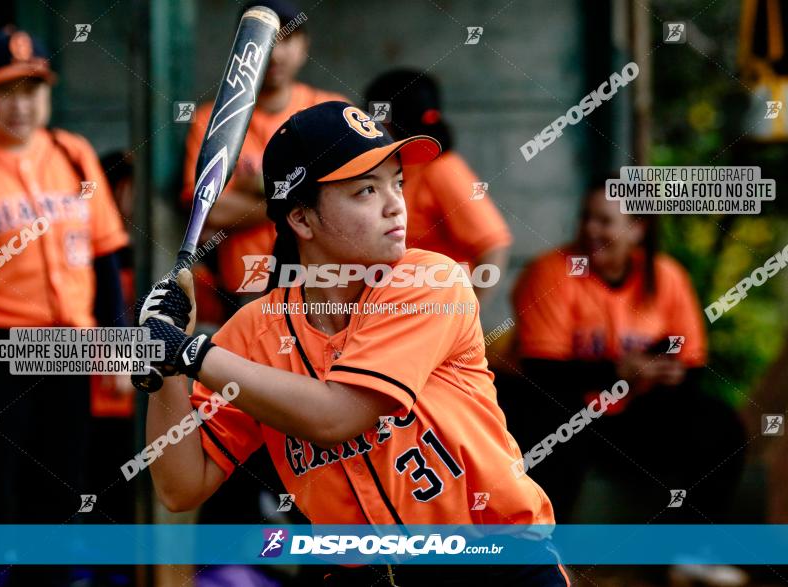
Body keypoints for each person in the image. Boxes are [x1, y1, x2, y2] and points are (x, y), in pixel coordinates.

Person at [136, 101, 569, 586]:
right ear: (301, 220)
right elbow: (180, 486)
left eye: (397, 183)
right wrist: (166, 370)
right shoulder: (254, 333)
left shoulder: (428, 281)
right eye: (366, 190)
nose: (395, 205)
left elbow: (336, 416)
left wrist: (192, 353)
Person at [0, 28, 128, 586]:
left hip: (68, 347)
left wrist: (117, 350)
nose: (21, 105)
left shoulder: (73, 153)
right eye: (6, 91)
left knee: (63, 486)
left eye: (32, 89)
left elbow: (104, 260)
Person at [499, 182, 746, 528]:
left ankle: (691, 550)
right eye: (586, 217)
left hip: (635, 415)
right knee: (545, 415)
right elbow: (543, 372)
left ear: (637, 229)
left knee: (720, 426)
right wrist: (620, 370)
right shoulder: (551, 272)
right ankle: (541, 551)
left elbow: (691, 362)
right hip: (568, 411)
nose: (590, 229)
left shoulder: (666, 276)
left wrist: (664, 373)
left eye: (604, 221)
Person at [181, 0, 347, 316]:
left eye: (287, 38)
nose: (276, 51)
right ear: (245, 49)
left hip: (324, 288)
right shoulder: (214, 118)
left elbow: (343, 199)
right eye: (265, 39)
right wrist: (299, 193)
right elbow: (208, 211)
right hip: (245, 292)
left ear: (304, 46)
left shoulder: (330, 111)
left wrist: (255, 186)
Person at [364, 70, 512, 305]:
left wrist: (463, 318)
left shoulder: (441, 169)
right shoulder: (391, 169)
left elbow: (494, 246)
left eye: (375, 114)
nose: (370, 124)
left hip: (431, 315)